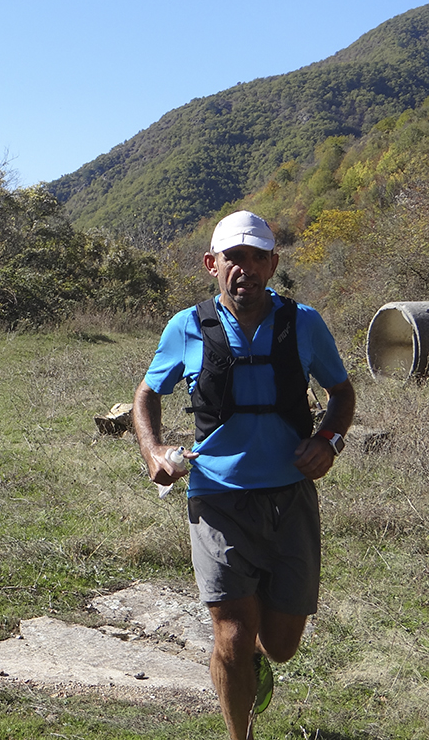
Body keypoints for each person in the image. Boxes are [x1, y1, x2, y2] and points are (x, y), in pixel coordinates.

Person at [132, 210, 355, 740]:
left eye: (257, 257)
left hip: (289, 497)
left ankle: (254, 659)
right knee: (231, 634)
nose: (246, 268)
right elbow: (147, 394)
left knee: (280, 644)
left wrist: (328, 440)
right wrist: (153, 451)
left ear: (273, 265)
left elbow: (341, 393)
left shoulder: (304, 323)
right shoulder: (186, 326)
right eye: (234, 257)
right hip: (217, 501)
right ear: (212, 264)